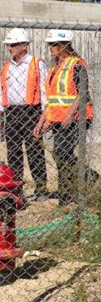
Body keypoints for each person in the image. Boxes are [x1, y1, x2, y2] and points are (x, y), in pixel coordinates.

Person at [33, 30, 94, 207]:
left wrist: (69, 115)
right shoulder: (55, 68)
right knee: (60, 156)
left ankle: (88, 180)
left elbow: (83, 93)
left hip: (77, 118)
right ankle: (67, 194)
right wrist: (42, 121)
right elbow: (53, 99)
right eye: (50, 45)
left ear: (64, 45)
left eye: (54, 44)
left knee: (62, 153)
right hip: (59, 119)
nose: (51, 48)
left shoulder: (76, 64)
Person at [0, 29, 48, 199]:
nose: (10, 48)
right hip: (11, 112)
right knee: (13, 152)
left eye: (13, 45)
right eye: (9, 45)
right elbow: (2, 91)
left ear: (24, 45)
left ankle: (41, 189)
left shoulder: (36, 63)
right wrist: (1, 115)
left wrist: (44, 116)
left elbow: (44, 90)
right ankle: (16, 190)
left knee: (34, 150)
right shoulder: (6, 67)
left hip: (31, 112)